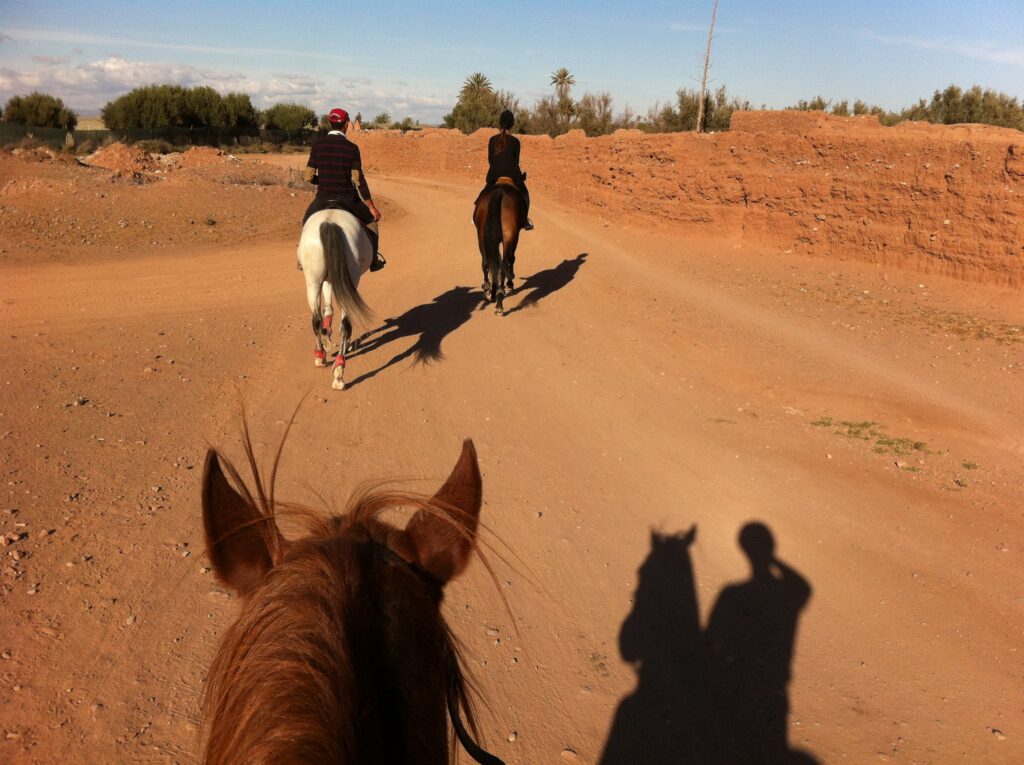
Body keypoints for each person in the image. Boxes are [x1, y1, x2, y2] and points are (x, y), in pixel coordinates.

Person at [301, 108, 386, 271]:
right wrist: (371, 206)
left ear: (329, 123)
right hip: (348, 200)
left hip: (323, 199)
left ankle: (302, 259)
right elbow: (358, 179)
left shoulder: (317, 145)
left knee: (306, 222)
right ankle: (374, 260)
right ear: (346, 125)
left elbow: (308, 177)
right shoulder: (352, 148)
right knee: (372, 222)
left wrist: (323, 180)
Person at [478, 109, 533, 230]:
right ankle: (525, 220)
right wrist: (520, 177)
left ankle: (476, 215)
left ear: (500, 123)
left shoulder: (492, 140)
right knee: (525, 194)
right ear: (512, 125)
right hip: (511, 175)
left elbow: (490, 160)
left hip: (494, 175)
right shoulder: (515, 142)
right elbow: (515, 162)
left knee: (483, 194)